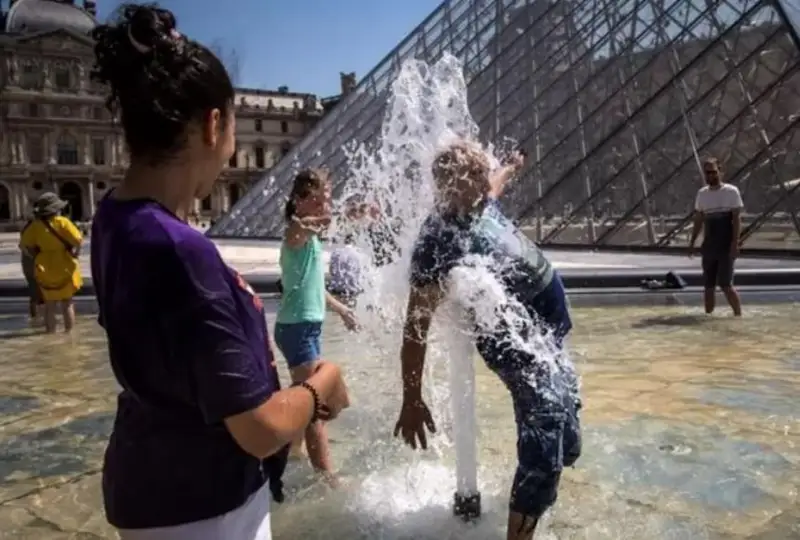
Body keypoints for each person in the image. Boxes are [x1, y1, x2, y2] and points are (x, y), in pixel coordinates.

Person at [88, 5, 350, 539]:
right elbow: (258, 429)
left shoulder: (114, 218)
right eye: (233, 128)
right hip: (202, 504)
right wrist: (323, 387)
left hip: (150, 480)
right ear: (213, 125)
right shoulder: (179, 251)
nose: (231, 152)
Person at [394, 142, 581, 540]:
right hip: (515, 344)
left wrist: (512, 166)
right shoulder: (436, 244)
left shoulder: (479, 199)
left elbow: (496, 183)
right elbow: (415, 330)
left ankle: (536, 492)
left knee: (568, 441)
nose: (484, 179)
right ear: (450, 186)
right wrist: (412, 398)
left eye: (483, 174)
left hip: (548, 336)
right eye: (475, 175)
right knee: (546, 432)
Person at [273, 169, 358, 484]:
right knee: (315, 407)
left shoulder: (311, 240)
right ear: (299, 201)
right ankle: (328, 478)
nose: (326, 205)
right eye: (319, 199)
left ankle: (290, 447)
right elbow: (304, 227)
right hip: (296, 329)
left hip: (304, 328)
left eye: (328, 199)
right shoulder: (295, 232)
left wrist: (342, 309)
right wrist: (342, 216)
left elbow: (315, 287)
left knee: (334, 395)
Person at [19, 192, 83, 333]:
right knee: (67, 303)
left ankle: (51, 334)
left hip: (44, 265)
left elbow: (23, 245)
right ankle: (69, 334)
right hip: (65, 262)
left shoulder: (35, 226)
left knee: (50, 304)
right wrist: (76, 253)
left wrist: (34, 256)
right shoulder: (63, 222)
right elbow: (78, 240)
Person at [689, 157, 743, 316]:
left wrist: (735, 243)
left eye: (713, 172)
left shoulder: (731, 191)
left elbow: (737, 219)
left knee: (726, 284)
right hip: (709, 245)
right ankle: (708, 316)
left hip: (725, 245)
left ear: (721, 171)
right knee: (708, 285)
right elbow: (698, 220)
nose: (710, 176)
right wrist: (692, 243)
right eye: (707, 173)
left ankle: (738, 316)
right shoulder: (702, 194)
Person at [19, 218, 44, 325]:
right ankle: (40, 318)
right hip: (35, 263)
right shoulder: (35, 227)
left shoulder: (29, 227)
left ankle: (36, 317)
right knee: (39, 292)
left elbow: (22, 246)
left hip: (30, 263)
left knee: (35, 291)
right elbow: (23, 246)